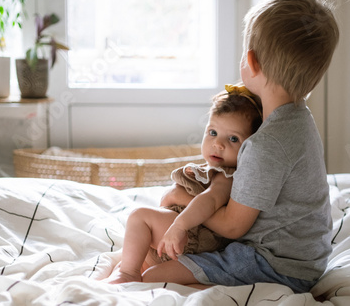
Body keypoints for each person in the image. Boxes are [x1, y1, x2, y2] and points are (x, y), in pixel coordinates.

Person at [140, 0, 340, 293]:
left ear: (251, 61)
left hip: (274, 263)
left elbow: (234, 226)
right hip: (307, 257)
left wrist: (184, 199)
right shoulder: (299, 116)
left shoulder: (266, 145)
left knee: (151, 278)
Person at [104, 84, 262, 284]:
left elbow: (210, 200)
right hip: (185, 232)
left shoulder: (227, 176)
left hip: (192, 234)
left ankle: (127, 273)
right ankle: (128, 271)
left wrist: (179, 225)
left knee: (139, 217)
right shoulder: (213, 169)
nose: (218, 144)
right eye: (212, 132)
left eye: (233, 138)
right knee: (140, 255)